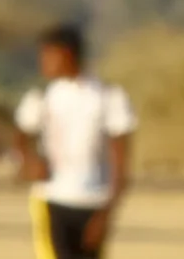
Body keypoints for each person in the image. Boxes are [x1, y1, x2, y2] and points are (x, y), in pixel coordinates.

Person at [12, 25, 134, 259]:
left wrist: (107, 213)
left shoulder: (109, 97)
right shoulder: (41, 96)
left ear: (68, 54)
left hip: (93, 201)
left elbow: (121, 161)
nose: (43, 63)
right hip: (51, 199)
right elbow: (20, 137)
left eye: (48, 56)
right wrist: (29, 161)